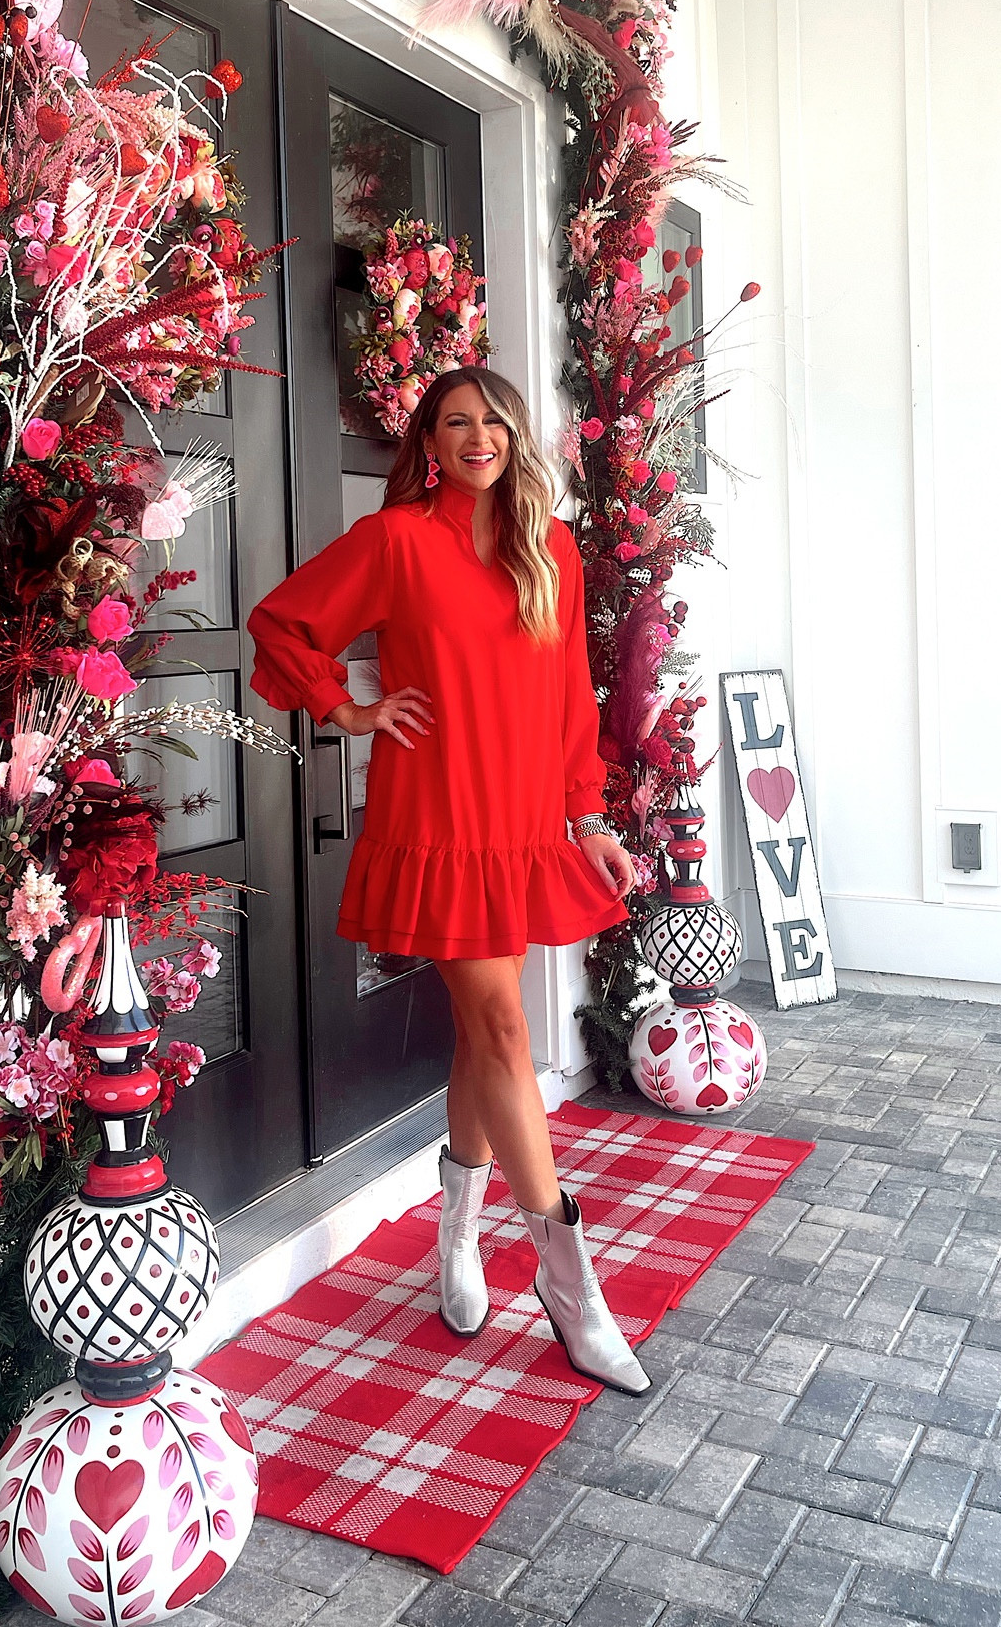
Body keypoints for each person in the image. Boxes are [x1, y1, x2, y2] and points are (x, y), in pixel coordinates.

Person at [248, 367, 648, 1393]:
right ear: (429, 442)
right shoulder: (396, 540)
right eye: (456, 423)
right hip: (436, 815)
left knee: (487, 1026)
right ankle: (570, 1278)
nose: (478, 438)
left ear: (514, 437)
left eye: (494, 422)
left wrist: (587, 817)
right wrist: (348, 710)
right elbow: (283, 623)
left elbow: (571, 696)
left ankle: (457, 1233)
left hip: (522, 820)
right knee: (504, 1028)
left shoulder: (549, 546)